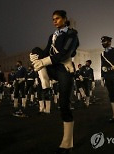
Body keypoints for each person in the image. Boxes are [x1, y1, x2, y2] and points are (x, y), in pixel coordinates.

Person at [30, 10, 79, 154]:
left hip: (64, 69)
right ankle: (45, 82)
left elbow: (65, 53)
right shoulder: (52, 36)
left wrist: (42, 61)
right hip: (52, 68)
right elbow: (46, 52)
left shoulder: (72, 34)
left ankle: (67, 143)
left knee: (64, 105)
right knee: (36, 50)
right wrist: (35, 55)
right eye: (53, 19)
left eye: (57, 18)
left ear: (65, 19)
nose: (54, 21)